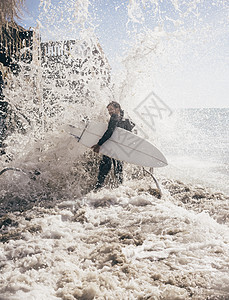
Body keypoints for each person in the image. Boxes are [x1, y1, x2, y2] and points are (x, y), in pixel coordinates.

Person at [91, 101, 135, 190]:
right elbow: (131, 130)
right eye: (108, 110)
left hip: (110, 145)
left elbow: (110, 131)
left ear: (117, 108)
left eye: (111, 109)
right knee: (118, 168)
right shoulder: (126, 118)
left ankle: (98, 187)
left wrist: (99, 144)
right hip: (120, 147)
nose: (110, 112)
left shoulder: (114, 117)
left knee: (105, 166)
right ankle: (119, 189)